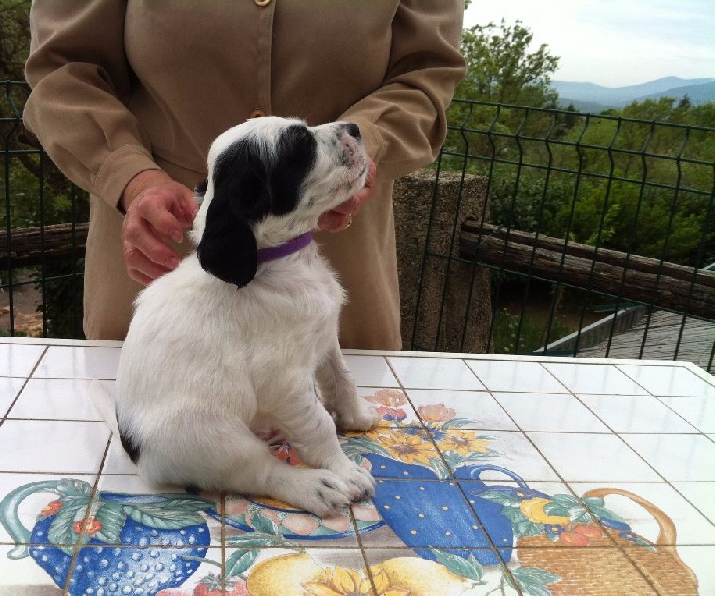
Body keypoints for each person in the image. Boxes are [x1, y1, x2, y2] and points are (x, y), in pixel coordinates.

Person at [24, 1, 466, 350]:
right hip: (162, 270)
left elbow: (426, 75)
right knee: (152, 432)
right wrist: (132, 176)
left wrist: (357, 149)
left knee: (346, 432)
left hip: (338, 274)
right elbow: (64, 70)